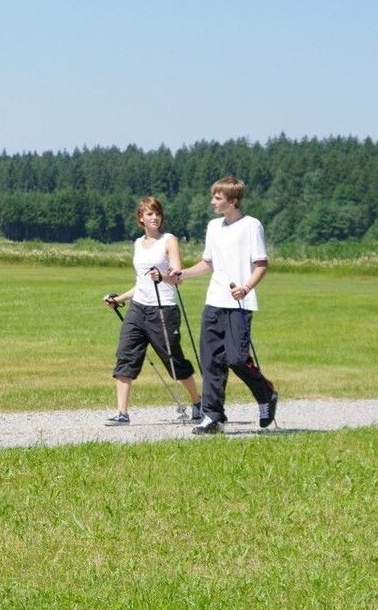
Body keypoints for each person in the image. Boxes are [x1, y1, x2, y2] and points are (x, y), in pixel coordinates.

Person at [167, 177, 278, 435]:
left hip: (240, 302)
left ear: (233, 201)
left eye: (218, 198)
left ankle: (266, 394)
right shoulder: (213, 227)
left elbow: (261, 264)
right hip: (214, 301)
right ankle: (212, 416)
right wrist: (182, 274)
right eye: (213, 196)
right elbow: (208, 263)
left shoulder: (252, 226)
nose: (212, 202)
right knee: (210, 360)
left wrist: (246, 287)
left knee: (237, 358)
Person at [102, 197, 201, 425]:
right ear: (141, 218)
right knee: (126, 355)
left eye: (157, 213)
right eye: (149, 214)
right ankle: (122, 413)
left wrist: (163, 276)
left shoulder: (169, 240)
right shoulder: (137, 244)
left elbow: (178, 278)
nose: (154, 217)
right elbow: (142, 283)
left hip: (163, 309)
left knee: (173, 360)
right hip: (138, 309)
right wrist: (119, 299)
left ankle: (198, 402)